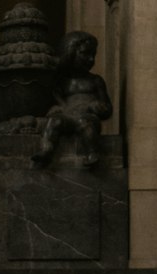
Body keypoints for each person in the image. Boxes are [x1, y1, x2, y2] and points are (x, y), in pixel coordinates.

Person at [32, 31, 112, 170]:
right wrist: (59, 108)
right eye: (85, 53)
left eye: (93, 55)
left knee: (86, 124)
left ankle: (92, 153)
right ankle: (46, 150)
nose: (91, 59)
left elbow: (107, 108)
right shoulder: (62, 82)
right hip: (68, 117)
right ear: (70, 53)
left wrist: (98, 107)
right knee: (54, 122)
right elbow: (56, 100)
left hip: (87, 117)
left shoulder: (95, 81)